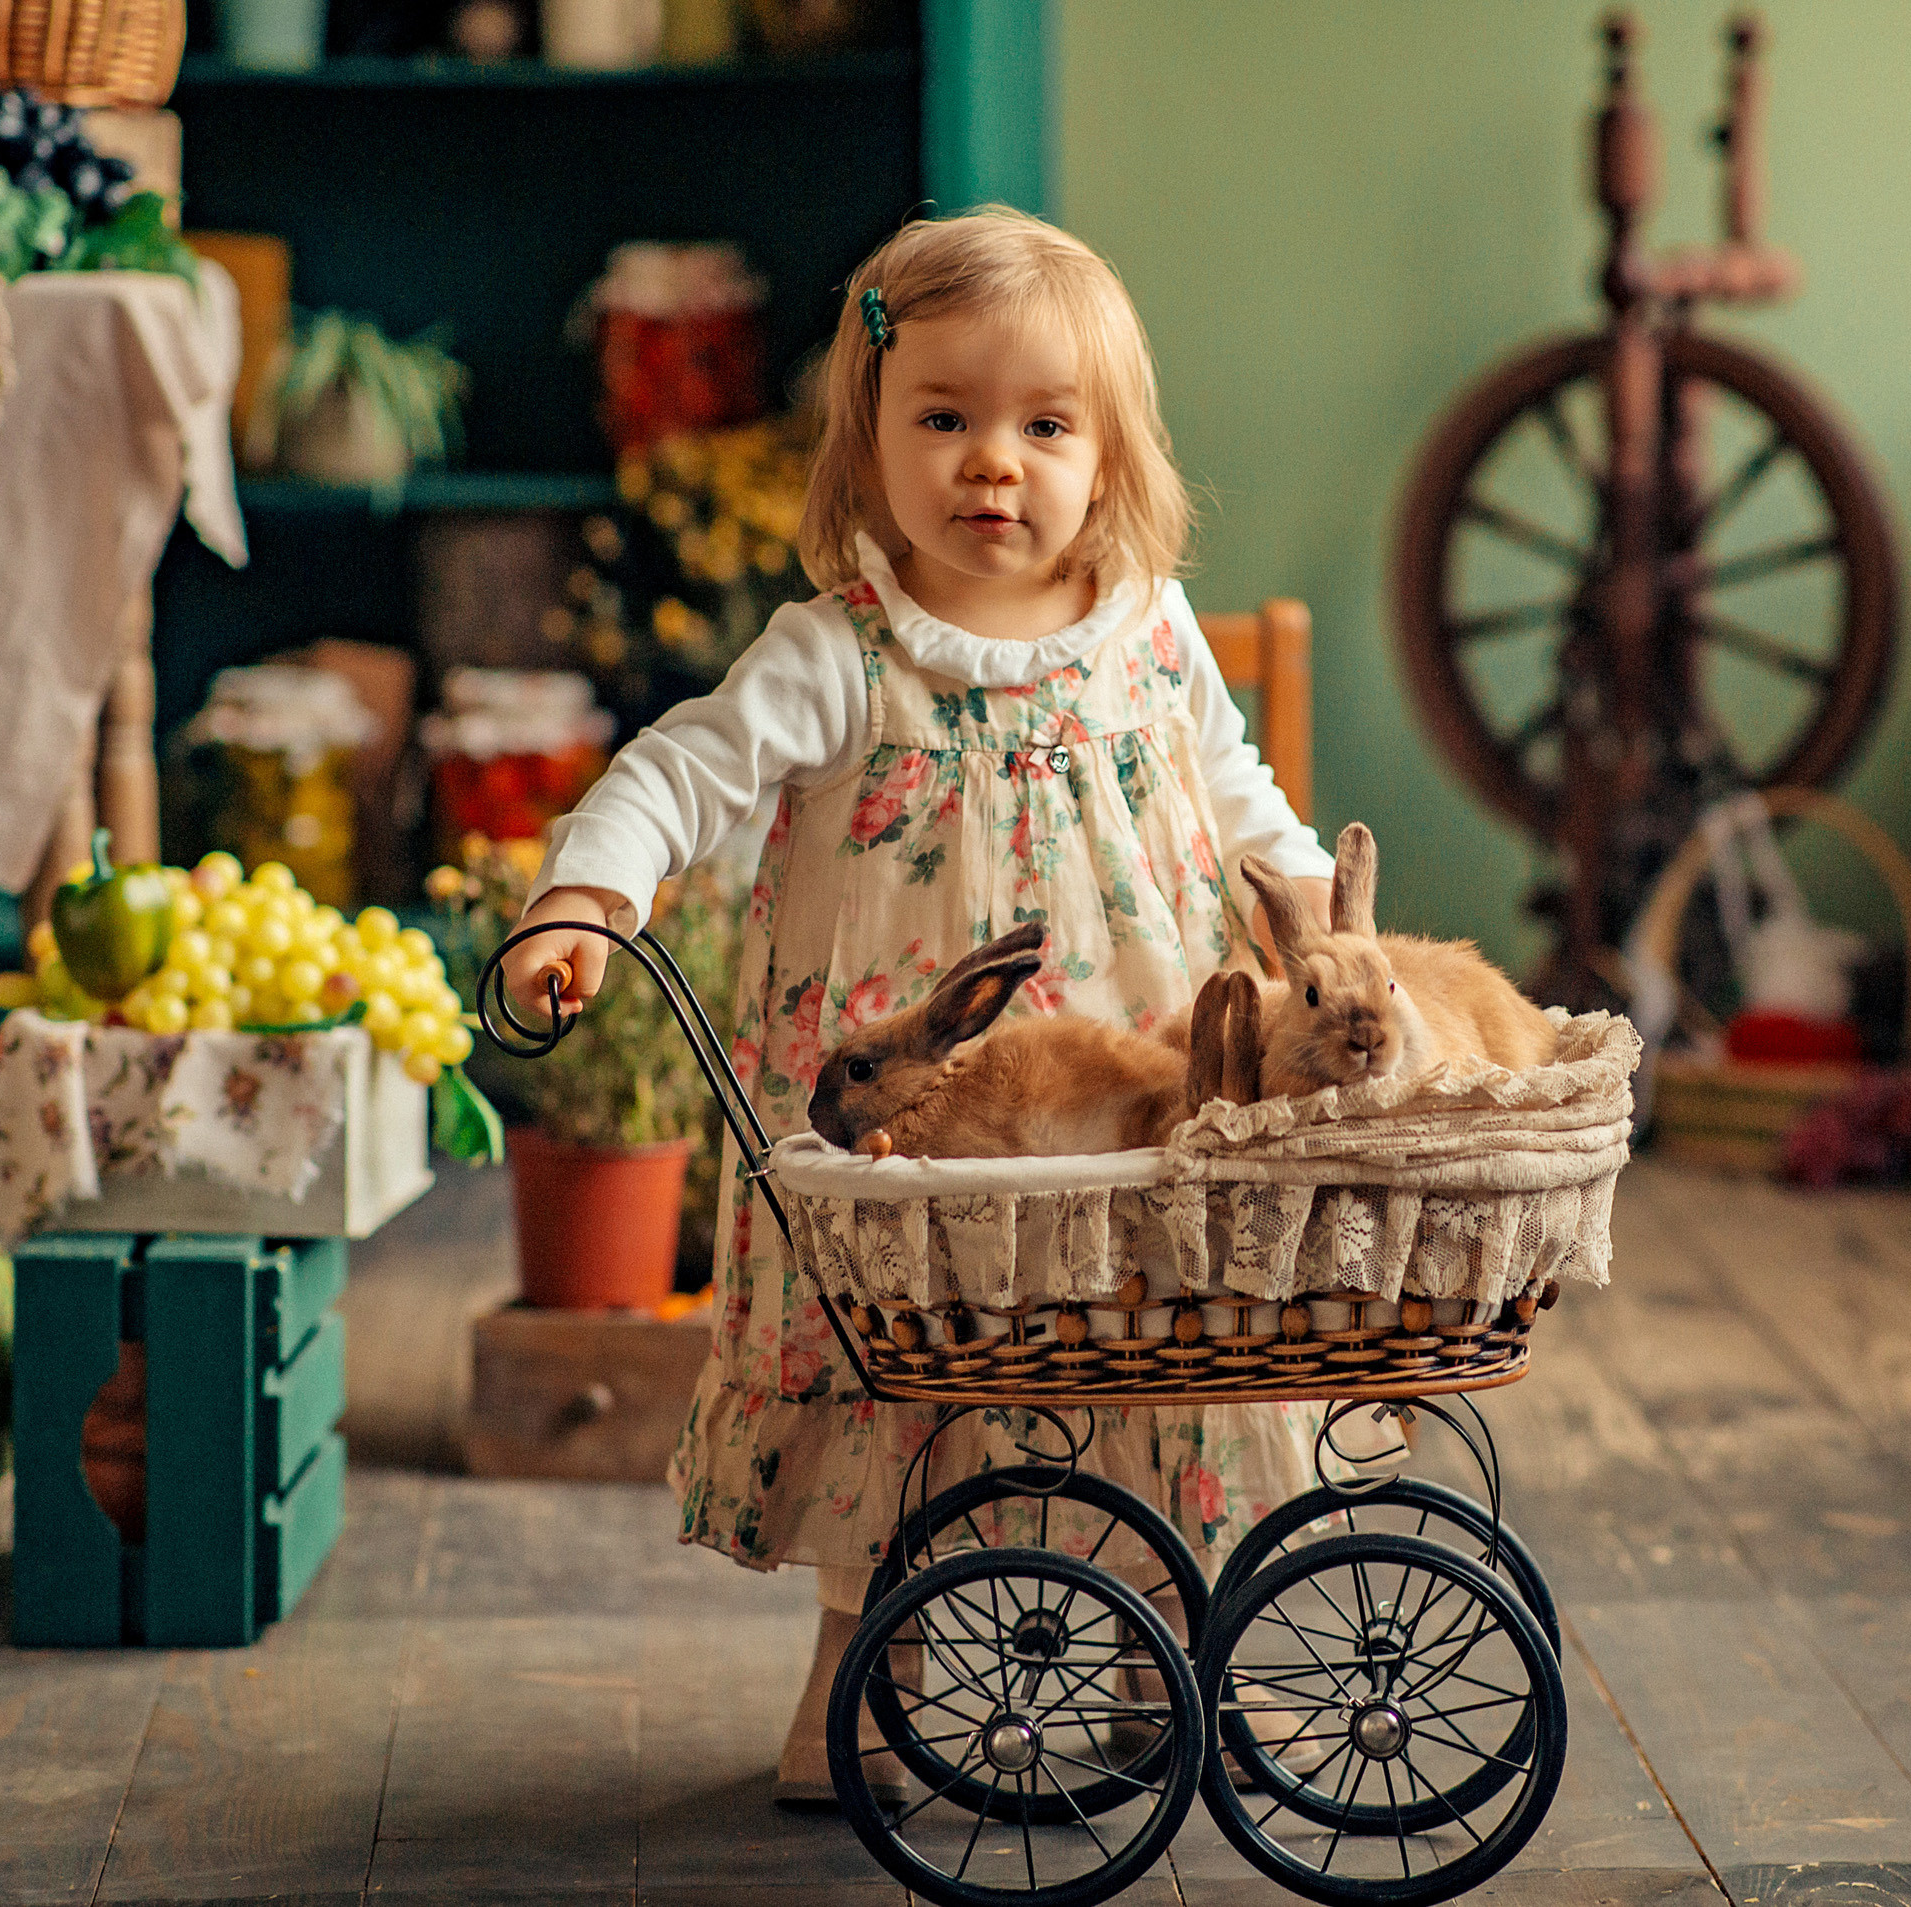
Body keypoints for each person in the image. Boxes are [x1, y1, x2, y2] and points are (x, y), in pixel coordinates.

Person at [502, 205, 1395, 1803]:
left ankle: (1150, 1652)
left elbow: (1246, 798)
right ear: (871, 440)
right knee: (906, 1355)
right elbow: (679, 770)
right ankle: (863, 1663)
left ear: (1110, 457)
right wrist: (588, 892)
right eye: (946, 420)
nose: (996, 464)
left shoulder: (1150, 629)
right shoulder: (837, 656)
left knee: (1141, 1342)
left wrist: (1320, 927)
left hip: (1125, 1096)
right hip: (912, 1129)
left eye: (1046, 426)